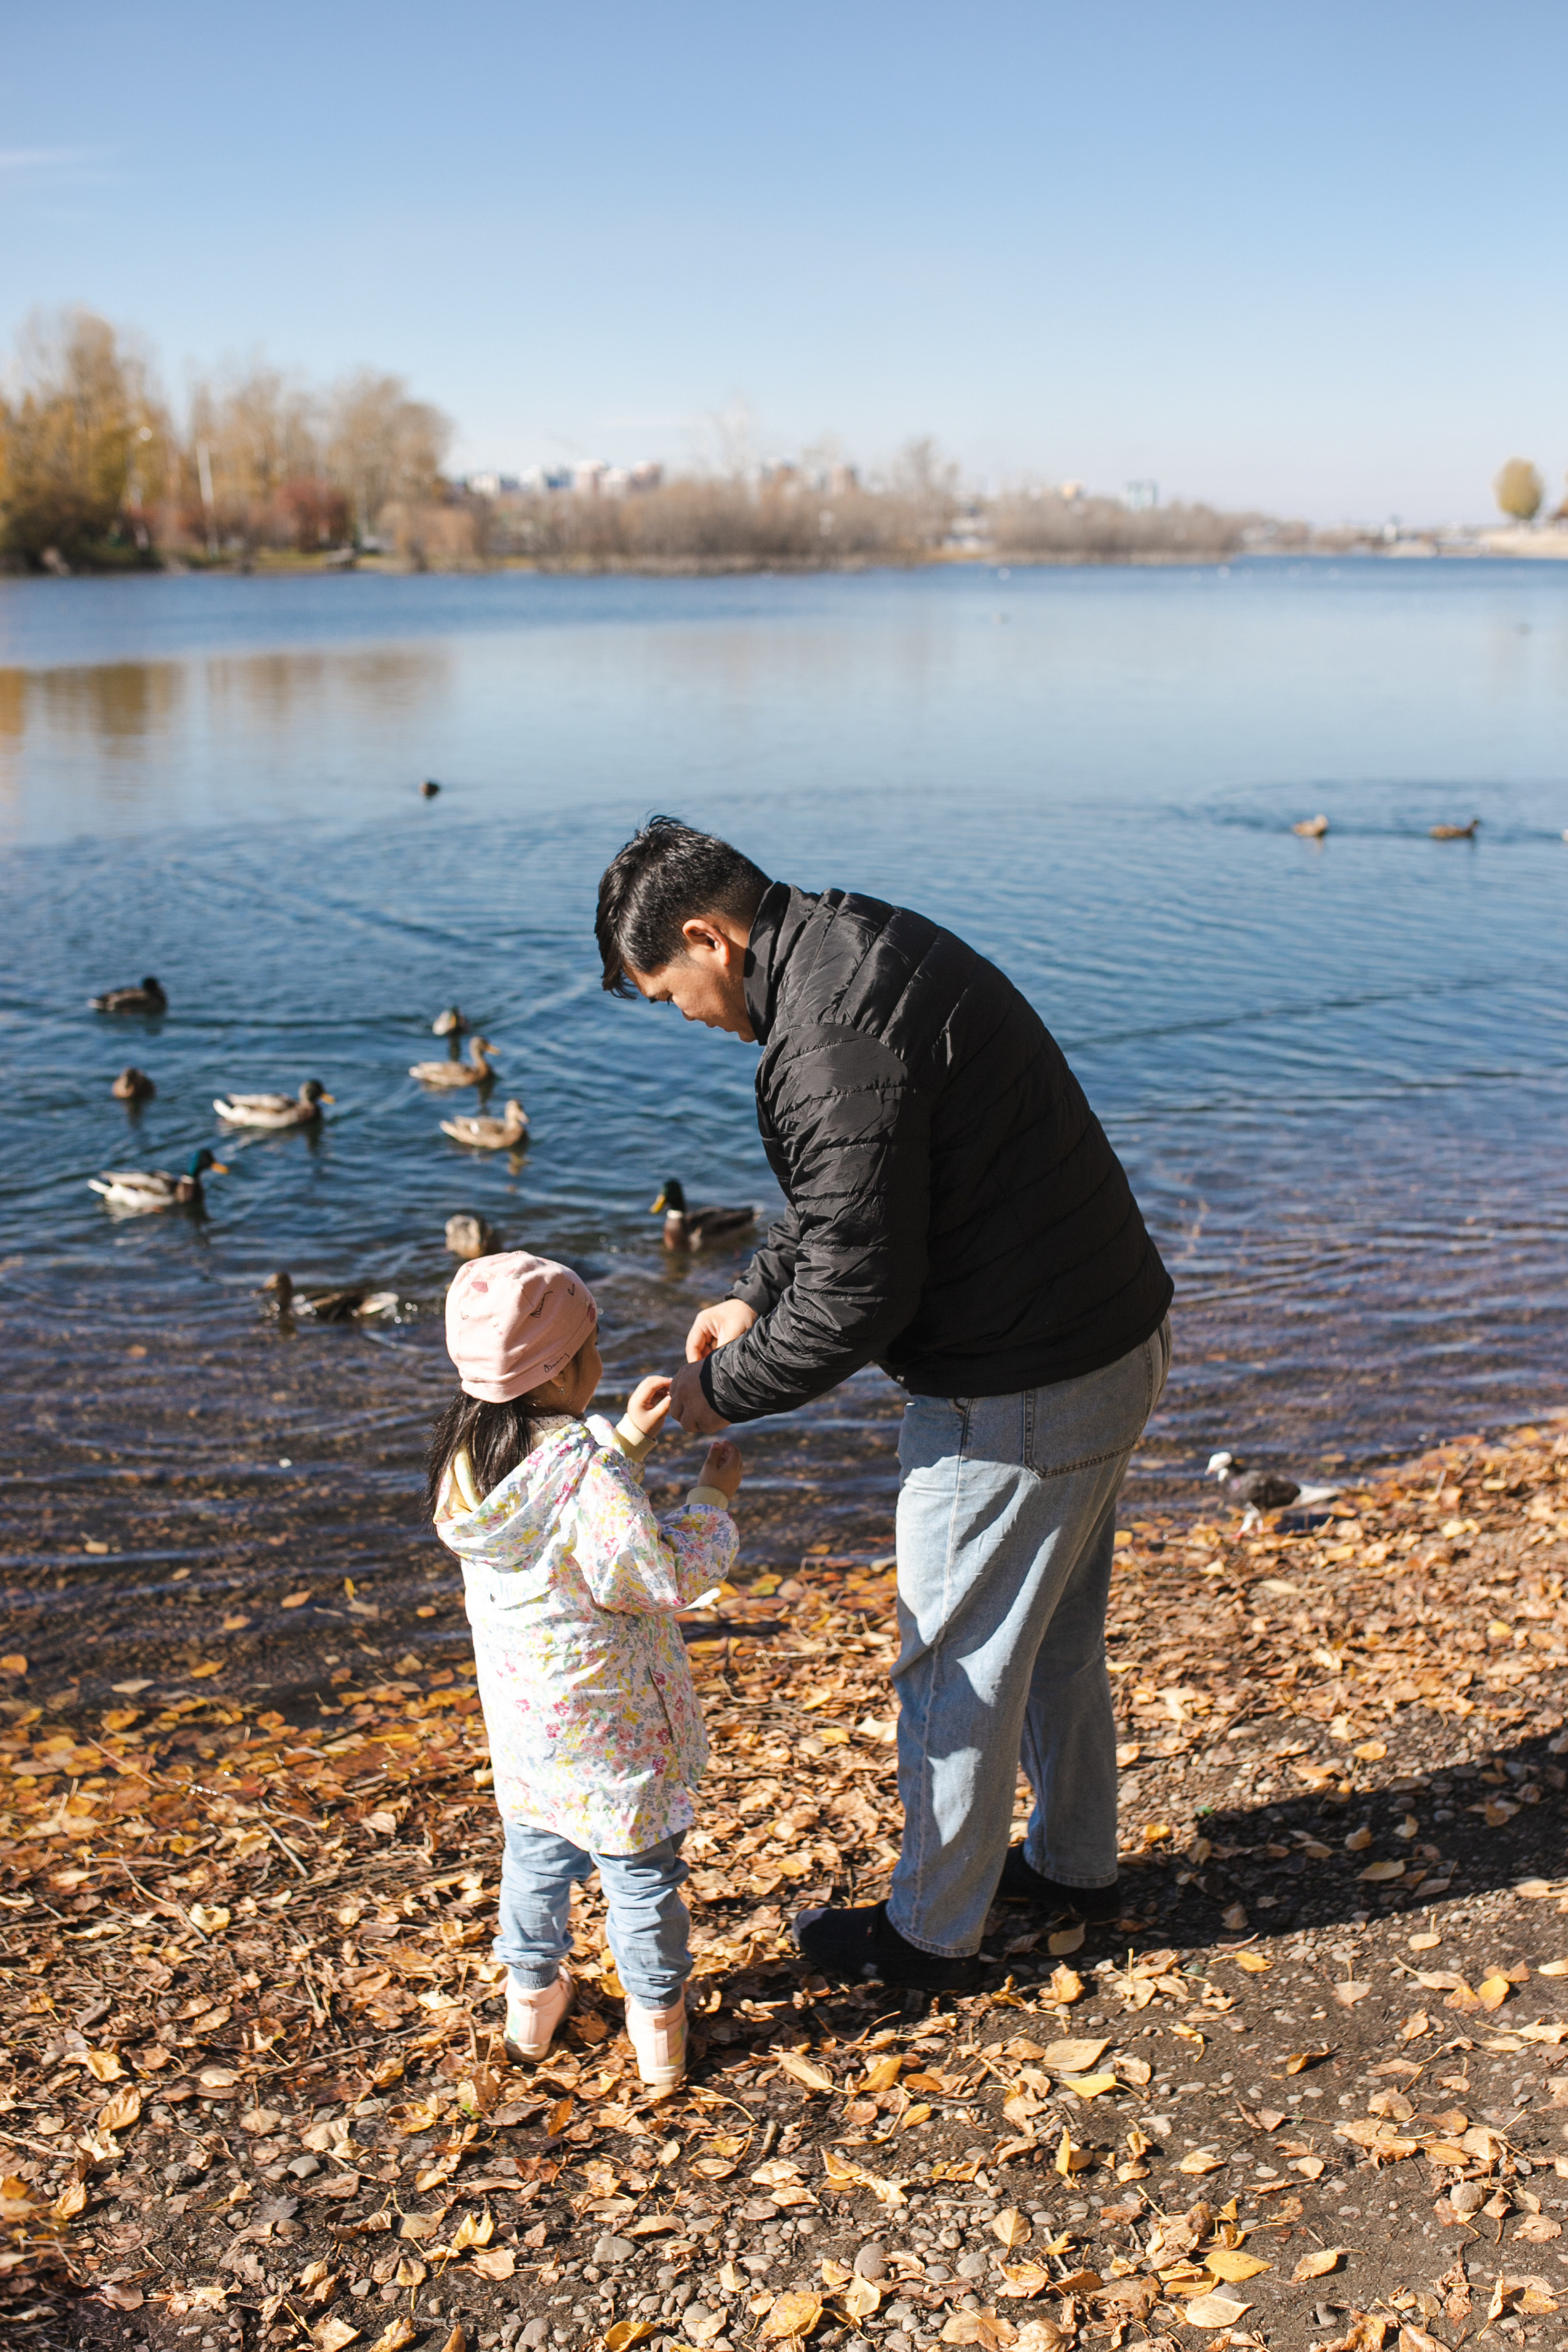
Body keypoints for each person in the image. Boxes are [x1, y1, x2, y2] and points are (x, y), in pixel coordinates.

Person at [595, 818, 1174, 1993]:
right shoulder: (859, 942)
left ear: (711, 935)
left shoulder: (823, 1037)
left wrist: (718, 1396)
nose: (688, 1018)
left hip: (1019, 1389)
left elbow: (858, 1295)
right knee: (1056, 1639)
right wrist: (755, 1293)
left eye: (673, 992)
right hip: (1112, 1335)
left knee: (950, 1665)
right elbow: (850, 1191)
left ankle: (931, 1939)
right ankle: (1074, 1867)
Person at [430, 1248, 742, 2087]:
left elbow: (557, 1537)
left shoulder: (468, 1469)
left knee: (534, 1863)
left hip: (530, 1731)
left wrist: (630, 1444)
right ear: (561, 1370)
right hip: (616, 1734)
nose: (601, 1365)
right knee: (641, 1880)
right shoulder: (587, 1477)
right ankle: (659, 2034)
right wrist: (712, 1504)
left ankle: (530, 2007)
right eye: (592, 1351)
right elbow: (656, 1577)